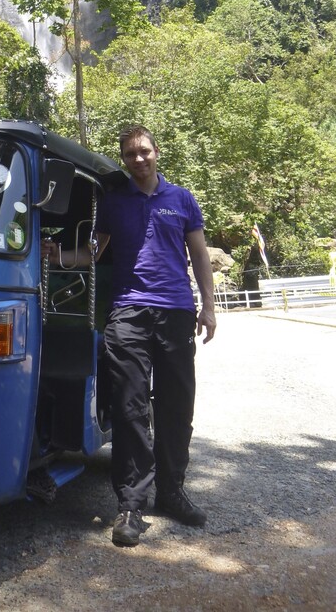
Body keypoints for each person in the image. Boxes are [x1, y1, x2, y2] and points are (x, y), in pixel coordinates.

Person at [43, 125, 216, 548]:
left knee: (177, 405)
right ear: (123, 159)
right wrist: (59, 255)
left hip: (176, 310)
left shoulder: (182, 199)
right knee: (129, 407)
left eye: (143, 152)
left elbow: (199, 253)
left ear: (157, 152)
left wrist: (208, 306)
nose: (137, 159)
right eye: (129, 154)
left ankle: (172, 492)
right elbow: (94, 253)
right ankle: (131, 505)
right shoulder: (112, 203)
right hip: (128, 312)